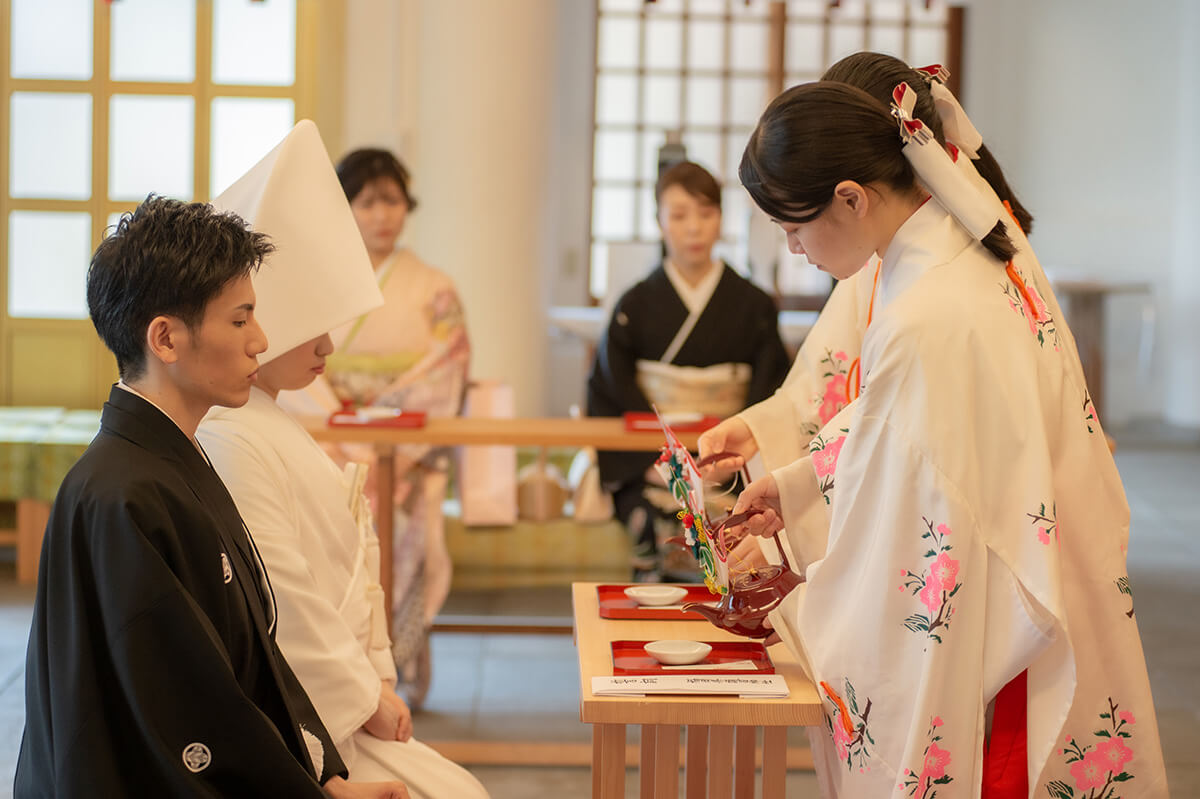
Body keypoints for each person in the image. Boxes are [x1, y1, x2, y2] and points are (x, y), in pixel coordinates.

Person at [719, 81, 1168, 796]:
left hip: (991, 568)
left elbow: (910, 505)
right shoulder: (958, 245)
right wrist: (801, 483)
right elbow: (895, 433)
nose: (794, 248)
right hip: (1032, 538)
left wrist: (795, 578)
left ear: (851, 196)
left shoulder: (925, 305)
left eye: (792, 227)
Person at [15, 195, 409, 798]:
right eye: (240, 318)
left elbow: (255, 656)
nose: (261, 340)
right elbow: (189, 714)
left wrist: (326, 777)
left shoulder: (175, 459)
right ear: (166, 339)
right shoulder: (123, 496)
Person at [198, 121, 488, 798]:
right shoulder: (237, 429)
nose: (328, 342)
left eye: (393, 201)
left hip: (399, 452)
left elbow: (355, 577)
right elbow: (286, 600)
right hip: (309, 706)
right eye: (315, 324)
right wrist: (363, 694)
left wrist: (376, 678)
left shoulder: (427, 286)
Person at [284, 148, 469, 707]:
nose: (382, 215)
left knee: (411, 548)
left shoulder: (434, 285)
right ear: (345, 208)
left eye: (392, 201)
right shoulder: (318, 284)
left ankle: (401, 666)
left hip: (410, 449)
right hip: (330, 442)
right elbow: (297, 363)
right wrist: (345, 428)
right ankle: (333, 676)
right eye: (367, 202)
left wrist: (387, 433)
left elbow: (448, 364)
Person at [586, 160, 790, 582]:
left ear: (721, 219)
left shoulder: (753, 305)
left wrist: (735, 459)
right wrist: (653, 462)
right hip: (652, 465)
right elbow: (610, 389)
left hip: (731, 466)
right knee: (648, 520)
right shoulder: (634, 306)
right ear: (659, 221)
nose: (694, 228)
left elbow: (771, 389)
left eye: (706, 213)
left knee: (738, 535)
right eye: (679, 215)